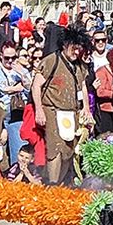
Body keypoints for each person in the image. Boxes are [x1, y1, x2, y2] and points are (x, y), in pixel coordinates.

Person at [32, 25, 93, 185]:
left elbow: (83, 86)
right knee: (56, 148)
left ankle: (60, 183)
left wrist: (86, 109)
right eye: (74, 48)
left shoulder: (80, 65)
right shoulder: (51, 60)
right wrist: (39, 110)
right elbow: (36, 85)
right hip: (52, 109)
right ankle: (52, 183)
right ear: (65, 45)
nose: (77, 52)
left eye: (80, 49)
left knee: (69, 149)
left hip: (72, 112)